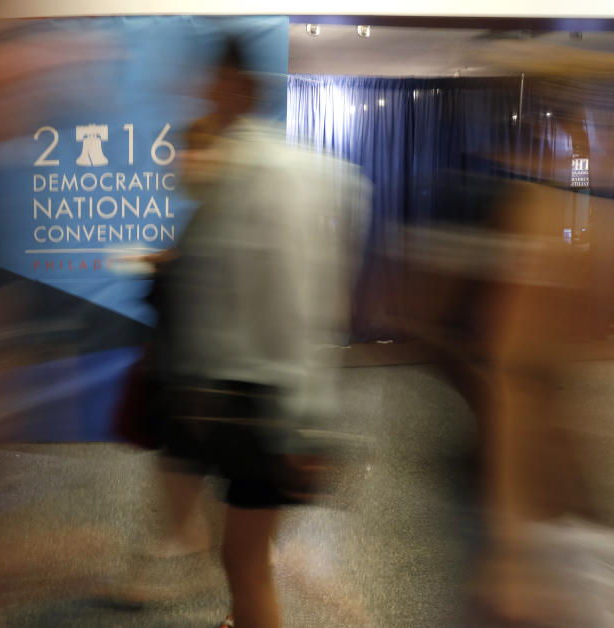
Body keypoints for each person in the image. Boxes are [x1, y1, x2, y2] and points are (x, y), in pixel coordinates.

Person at [144, 38, 369, 628]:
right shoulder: (232, 173)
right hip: (231, 399)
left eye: (213, 83)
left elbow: (302, 300)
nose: (201, 95)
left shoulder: (273, 174)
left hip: (262, 402)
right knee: (240, 556)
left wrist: (305, 418)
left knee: (246, 562)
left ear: (238, 87)